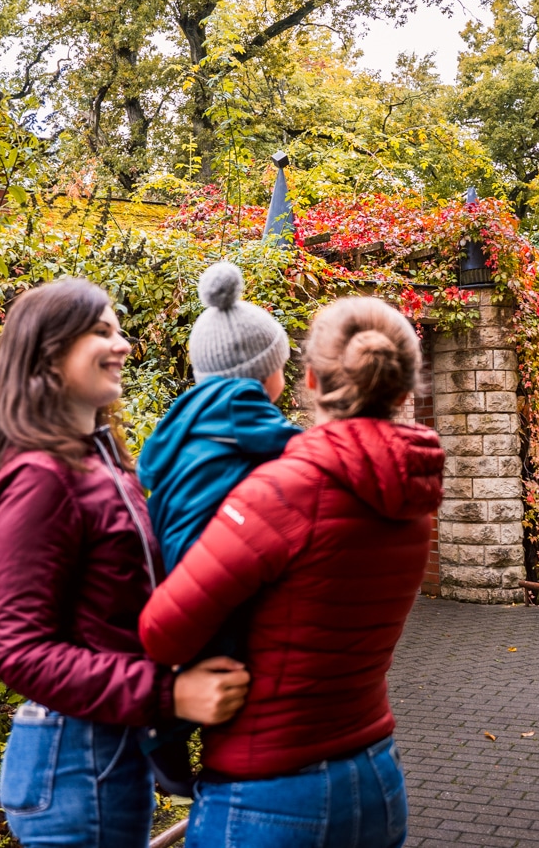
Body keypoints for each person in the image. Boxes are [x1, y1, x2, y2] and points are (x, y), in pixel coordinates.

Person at [139, 296, 445, 848]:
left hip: (269, 793)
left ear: (308, 377)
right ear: (404, 388)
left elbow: (164, 629)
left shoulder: (285, 490)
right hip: (374, 773)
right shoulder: (413, 491)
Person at [0, 278, 251, 848]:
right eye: (101, 332)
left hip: (110, 750)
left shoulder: (102, 462)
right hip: (72, 762)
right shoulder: (39, 477)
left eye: (119, 331)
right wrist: (170, 694)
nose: (122, 346)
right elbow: (21, 651)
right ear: (48, 351)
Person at [134, 261, 304, 795]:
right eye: (282, 363)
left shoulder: (186, 421)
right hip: (206, 553)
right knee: (226, 651)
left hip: (171, 558)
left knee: (199, 647)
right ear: (264, 372)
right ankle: (164, 732)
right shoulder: (247, 416)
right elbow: (304, 456)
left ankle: (165, 743)